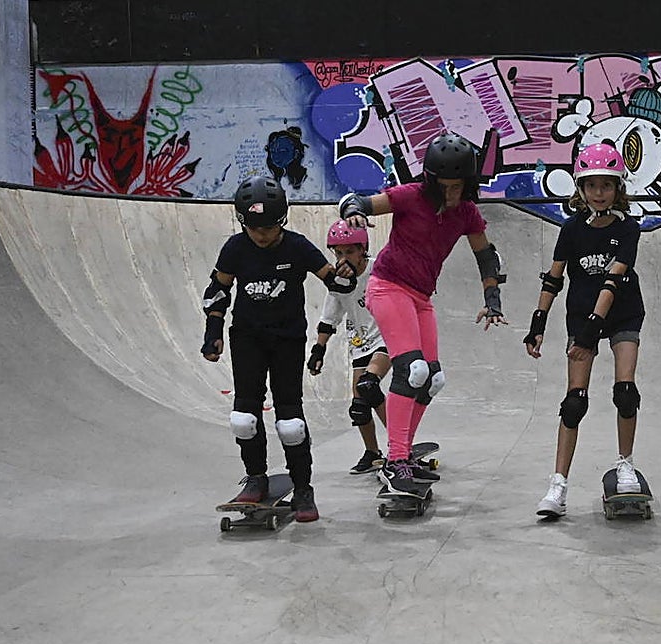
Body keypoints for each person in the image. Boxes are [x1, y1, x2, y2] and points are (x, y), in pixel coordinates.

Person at [337, 131, 507, 499]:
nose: (451, 194)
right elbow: (359, 201)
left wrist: (492, 298)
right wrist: (353, 214)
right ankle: (395, 460)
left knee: (432, 379)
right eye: (444, 187)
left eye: (457, 187)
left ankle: (404, 454)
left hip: (421, 298)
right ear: (431, 181)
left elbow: (486, 255)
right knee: (411, 370)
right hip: (387, 287)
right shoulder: (410, 197)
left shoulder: (467, 212)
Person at [201, 175, 358, 522]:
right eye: (255, 229)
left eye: (270, 228)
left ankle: (303, 488)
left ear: (282, 220)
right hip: (247, 339)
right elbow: (218, 291)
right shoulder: (235, 248)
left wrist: (346, 274)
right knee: (244, 418)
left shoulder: (298, 247)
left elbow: (333, 280)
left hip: (287, 340)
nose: (263, 236)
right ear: (243, 223)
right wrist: (213, 332)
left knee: (290, 422)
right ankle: (256, 478)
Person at [524, 141, 645, 518]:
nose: (598, 193)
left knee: (625, 393)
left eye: (606, 185)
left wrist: (594, 329)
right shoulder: (572, 229)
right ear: (580, 188)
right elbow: (554, 279)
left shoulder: (629, 230)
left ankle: (625, 465)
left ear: (618, 188)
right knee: (574, 401)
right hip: (581, 315)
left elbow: (613, 280)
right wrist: (538, 322)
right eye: (591, 185)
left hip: (622, 312)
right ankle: (558, 485)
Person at [307, 220, 392, 475]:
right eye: (339, 253)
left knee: (369, 385)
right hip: (360, 342)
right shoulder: (338, 281)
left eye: (350, 252)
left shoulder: (380, 268)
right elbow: (329, 317)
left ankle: (401, 446)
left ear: (362, 249)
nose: (344, 259)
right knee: (358, 408)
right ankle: (373, 453)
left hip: (387, 337)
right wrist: (318, 350)